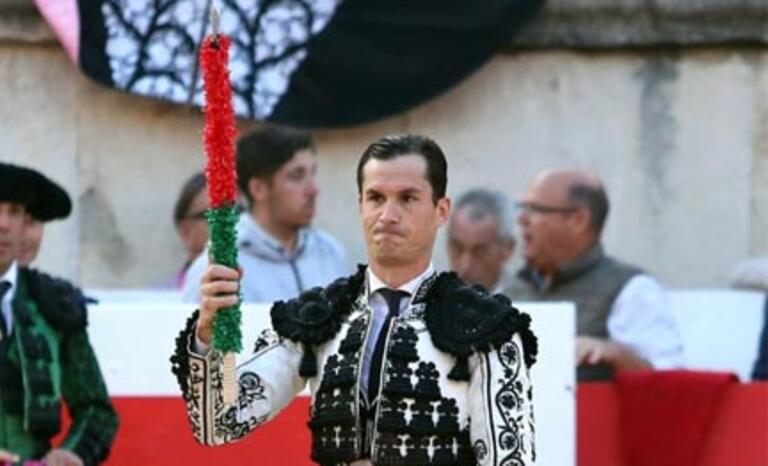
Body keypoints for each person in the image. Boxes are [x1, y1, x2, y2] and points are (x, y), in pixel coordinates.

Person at [171, 134, 538, 465]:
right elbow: (219, 423)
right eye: (376, 198)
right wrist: (209, 333)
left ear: (441, 211)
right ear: (360, 204)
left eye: (408, 199)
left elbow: (509, 461)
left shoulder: (487, 327)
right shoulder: (320, 316)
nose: (388, 215)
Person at [0, 161, 118, 465]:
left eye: (15, 212)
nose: (4, 224)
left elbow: (96, 410)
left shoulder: (53, 303)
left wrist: (72, 453)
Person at [506, 169, 682, 381]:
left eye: (535, 209)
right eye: (523, 208)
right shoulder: (511, 289)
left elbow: (670, 382)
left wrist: (616, 355)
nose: (521, 219)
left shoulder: (631, 290)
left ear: (578, 220)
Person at [181, 126, 348, 303]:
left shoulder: (330, 252)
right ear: (258, 189)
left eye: (313, 173)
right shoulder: (221, 262)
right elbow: (193, 329)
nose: (313, 189)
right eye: (297, 176)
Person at [447, 188, 516, 293]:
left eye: (479, 253)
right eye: (457, 249)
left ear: (507, 249)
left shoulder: (533, 304)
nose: (465, 267)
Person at [170, 172, 209, 288]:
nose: (231, 224)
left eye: (238, 212)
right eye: (213, 215)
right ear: (185, 230)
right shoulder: (158, 301)